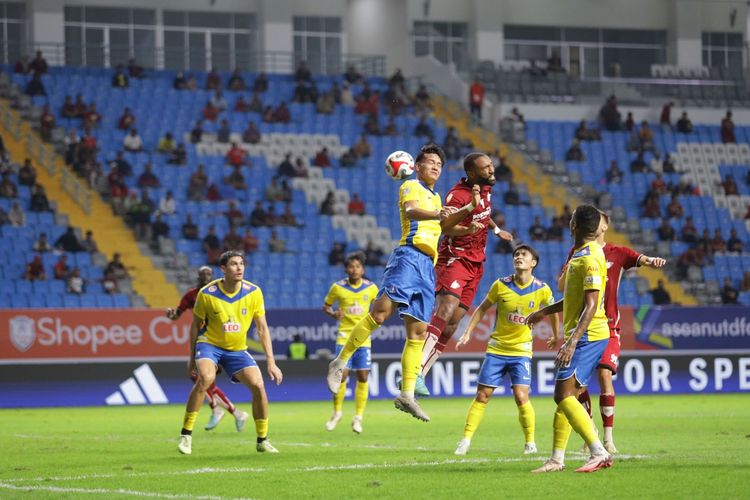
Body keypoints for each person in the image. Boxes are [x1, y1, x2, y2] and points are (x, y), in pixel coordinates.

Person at [326, 144, 479, 422]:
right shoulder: (411, 186)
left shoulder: (435, 197)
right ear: (417, 167)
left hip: (427, 268)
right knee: (380, 313)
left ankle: (407, 393)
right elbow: (411, 212)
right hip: (408, 257)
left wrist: (466, 221)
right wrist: (438, 214)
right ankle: (341, 361)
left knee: (418, 333)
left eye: (439, 164)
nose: (435, 167)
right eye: (430, 162)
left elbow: (443, 227)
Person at [558, 210, 666, 454]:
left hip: (609, 326)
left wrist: (654, 261)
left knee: (605, 375)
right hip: (583, 327)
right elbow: (562, 286)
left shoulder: (618, 252)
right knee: (579, 386)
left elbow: (643, 259)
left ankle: (608, 438)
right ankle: (590, 432)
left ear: (603, 226)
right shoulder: (578, 253)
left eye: (600, 219)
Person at [412, 153, 513, 396]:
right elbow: (445, 227)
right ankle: (413, 370)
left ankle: (421, 374)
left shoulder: (485, 189)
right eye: (486, 167)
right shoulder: (457, 196)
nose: (491, 169)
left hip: (476, 263)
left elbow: (483, 214)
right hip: (455, 257)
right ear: (471, 173)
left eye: (491, 164)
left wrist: (497, 230)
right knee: (446, 308)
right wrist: (467, 229)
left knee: (452, 324)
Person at [525, 204, 614, 473]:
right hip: (586, 332)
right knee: (569, 397)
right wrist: (545, 311)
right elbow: (575, 300)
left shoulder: (589, 258)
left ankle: (598, 451)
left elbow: (590, 304)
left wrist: (572, 340)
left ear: (573, 226)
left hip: (588, 335)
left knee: (562, 396)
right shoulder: (581, 254)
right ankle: (556, 459)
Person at [453, 244, 558, 456]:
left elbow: (553, 311)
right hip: (497, 349)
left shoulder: (542, 289)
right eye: (516, 254)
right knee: (482, 395)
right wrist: (467, 332)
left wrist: (557, 335)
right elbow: (482, 308)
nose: (519, 257)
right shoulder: (500, 285)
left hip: (521, 351)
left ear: (533, 263)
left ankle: (530, 442)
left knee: (521, 396)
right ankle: (465, 440)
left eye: (524, 255)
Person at [177, 251, 283, 455]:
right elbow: (195, 326)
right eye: (233, 264)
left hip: (237, 350)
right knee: (206, 378)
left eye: (241, 263)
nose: (239, 267)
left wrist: (271, 361)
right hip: (210, 344)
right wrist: (191, 358)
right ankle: (186, 435)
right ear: (223, 269)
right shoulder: (207, 293)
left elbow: (262, 328)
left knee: (259, 385)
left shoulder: (254, 292)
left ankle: (262, 440)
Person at [166, 266, 248, 431]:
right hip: (204, 341)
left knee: (202, 379)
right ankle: (232, 412)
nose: (205, 276)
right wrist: (171, 315)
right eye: (202, 273)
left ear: (213, 275)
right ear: (198, 275)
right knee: (201, 378)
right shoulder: (192, 295)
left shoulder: (221, 292)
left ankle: (224, 411)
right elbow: (178, 313)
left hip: (219, 340)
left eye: (208, 273)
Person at [322, 252, 378, 433]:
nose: (354, 270)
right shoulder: (337, 287)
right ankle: (337, 413)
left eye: (358, 266)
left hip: (363, 338)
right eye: (351, 266)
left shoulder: (371, 288)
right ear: (346, 269)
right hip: (344, 337)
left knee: (363, 377)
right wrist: (333, 313)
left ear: (363, 269)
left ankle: (358, 418)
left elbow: (378, 309)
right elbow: (326, 306)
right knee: (342, 375)